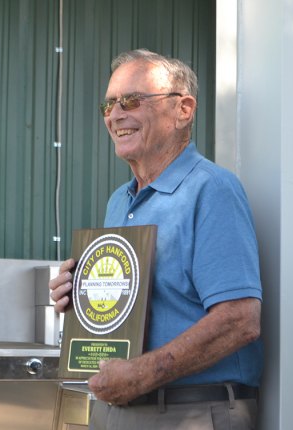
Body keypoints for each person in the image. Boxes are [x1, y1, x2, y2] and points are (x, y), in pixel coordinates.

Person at [49, 49, 263, 430]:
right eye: (109, 103)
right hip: (116, 409)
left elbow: (239, 320)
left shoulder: (212, 189)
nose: (115, 115)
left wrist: (141, 375)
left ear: (183, 109)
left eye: (132, 100)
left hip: (190, 411)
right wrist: (83, 295)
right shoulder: (120, 201)